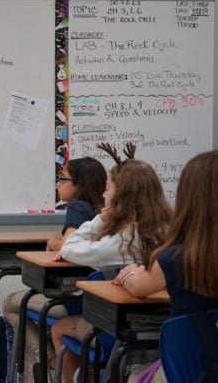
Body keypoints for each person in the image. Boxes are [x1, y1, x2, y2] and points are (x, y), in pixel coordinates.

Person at [49, 143, 172, 383]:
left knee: (58, 328)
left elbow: (69, 248)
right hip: (164, 329)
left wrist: (98, 221)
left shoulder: (125, 238)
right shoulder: (166, 229)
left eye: (107, 189)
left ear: (122, 195)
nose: (103, 195)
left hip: (119, 329)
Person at [112, 150, 218, 383]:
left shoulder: (172, 259)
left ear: (188, 198)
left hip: (188, 371)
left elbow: (138, 288)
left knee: (133, 376)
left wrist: (132, 272)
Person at [1, 157, 107, 382]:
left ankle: (49, 361)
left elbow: (69, 247)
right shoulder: (102, 210)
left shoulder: (78, 207)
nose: (58, 184)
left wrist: (55, 242)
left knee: (10, 303)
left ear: (80, 183)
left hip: (73, 298)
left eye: (63, 179)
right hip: (97, 301)